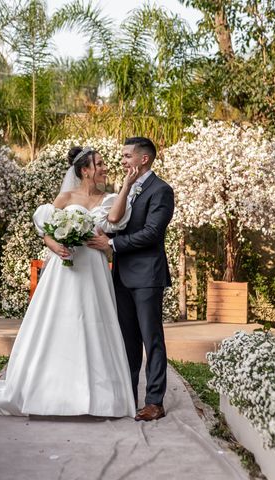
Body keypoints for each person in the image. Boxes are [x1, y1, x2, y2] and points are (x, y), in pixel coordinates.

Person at [0, 146, 140, 417]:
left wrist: (127, 186)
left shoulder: (109, 198)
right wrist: (55, 245)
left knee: (94, 322)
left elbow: (115, 219)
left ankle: (99, 398)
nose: (105, 167)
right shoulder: (65, 197)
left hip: (93, 269)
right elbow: (46, 231)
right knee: (60, 320)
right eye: (99, 163)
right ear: (85, 170)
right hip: (65, 268)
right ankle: (49, 391)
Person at [87, 137, 175, 422]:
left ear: (143, 159)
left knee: (152, 340)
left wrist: (112, 246)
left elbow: (152, 233)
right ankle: (128, 396)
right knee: (127, 340)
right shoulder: (127, 189)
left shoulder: (161, 191)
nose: (123, 160)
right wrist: (106, 237)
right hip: (121, 276)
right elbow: (119, 224)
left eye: (127, 156)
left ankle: (154, 402)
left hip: (147, 275)